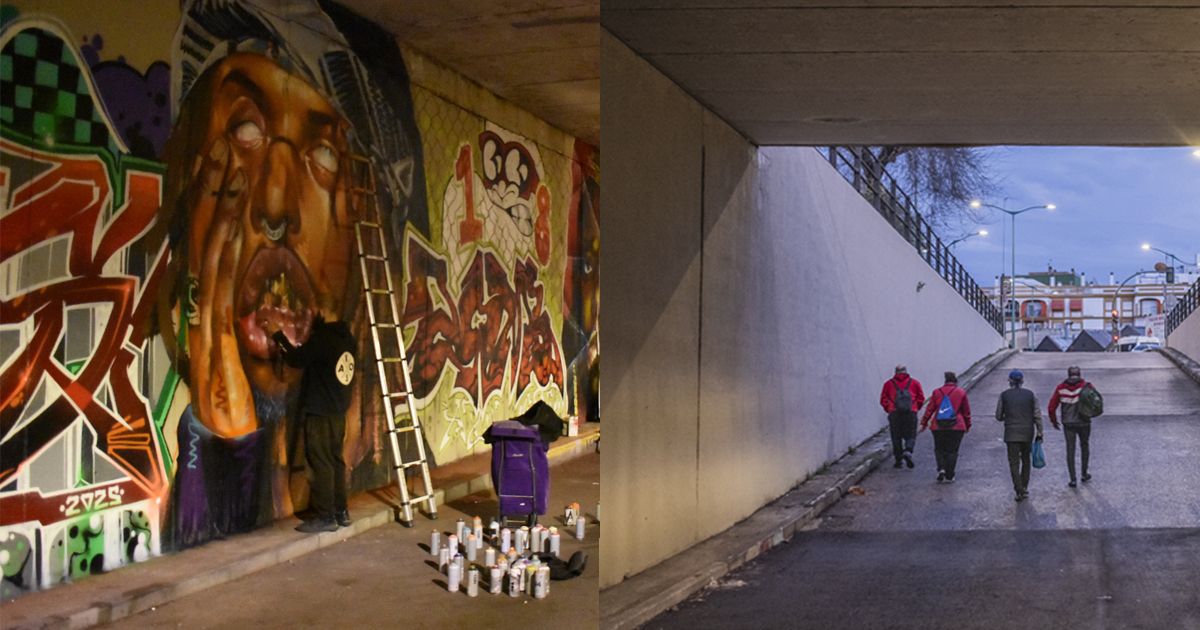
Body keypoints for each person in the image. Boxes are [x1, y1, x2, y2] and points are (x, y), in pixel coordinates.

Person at [272, 314, 358, 532]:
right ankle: (340, 511)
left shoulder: (322, 338)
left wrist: (277, 335)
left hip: (320, 412)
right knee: (335, 460)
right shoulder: (348, 339)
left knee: (320, 462)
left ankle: (325, 516)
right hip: (338, 412)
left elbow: (296, 359)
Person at [995, 370, 1044, 501]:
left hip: (1011, 433)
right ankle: (1024, 487)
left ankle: (1018, 489)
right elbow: (1037, 415)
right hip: (1027, 432)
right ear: (1022, 381)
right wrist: (1040, 432)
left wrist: (1008, 417)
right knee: (1026, 460)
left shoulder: (1004, 395)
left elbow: (998, 416)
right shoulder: (1030, 395)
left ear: (1010, 381)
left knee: (1014, 462)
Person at [920, 371, 972, 483]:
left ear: (945, 380)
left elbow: (929, 409)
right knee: (952, 451)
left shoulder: (936, 392)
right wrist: (968, 425)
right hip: (957, 426)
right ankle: (950, 475)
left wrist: (924, 423)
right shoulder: (960, 392)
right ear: (955, 381)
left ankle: (941, 469)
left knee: (939, 449)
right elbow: (966, 412)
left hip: (938, 426)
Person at [1048, 366, 1094, 488]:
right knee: (1084, 446)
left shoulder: (1061, 388)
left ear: (1068, 374)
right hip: (1084, 422)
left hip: (1068, 423)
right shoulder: (1087, 386)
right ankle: (1084, 474)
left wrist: (1054, 421)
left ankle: (1073, 479)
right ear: (1079, 374)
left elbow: (1051, 407)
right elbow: (1095, 401)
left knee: (1070, 450)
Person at [879, 365, 925, 468]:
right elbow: (921, 398)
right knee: (911, 434)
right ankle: (908, 451)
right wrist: (915, 408)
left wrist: (889, 408)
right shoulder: (914, 383)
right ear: (906, 371)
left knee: (896, 436)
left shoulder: (888, 384)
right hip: (910, 412)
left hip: (895, 413)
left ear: (895, 372)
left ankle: (898, 460)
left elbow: (883, 399)